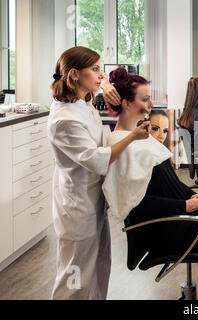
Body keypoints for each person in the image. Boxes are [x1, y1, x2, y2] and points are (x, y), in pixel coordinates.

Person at [47, 47, 150, 300]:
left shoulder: (83, 104)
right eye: (94, 69)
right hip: (77, 206)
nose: (100, 74)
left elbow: (103, 141)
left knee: (99, 267)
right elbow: (96, 158)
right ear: (73, 74)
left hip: (94, 199)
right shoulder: (64, 118)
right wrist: (134, 136)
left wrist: (103, 83)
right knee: (75, 277)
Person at [102, 68, 198, 255]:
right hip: (168, 225)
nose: (151, 105)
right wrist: (185, 205)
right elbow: (137, 205)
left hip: (181, 207)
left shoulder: (140, 135)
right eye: (145, 99)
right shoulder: (120, 144)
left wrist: (190, 194)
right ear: (127, 103)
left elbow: (166, 183)